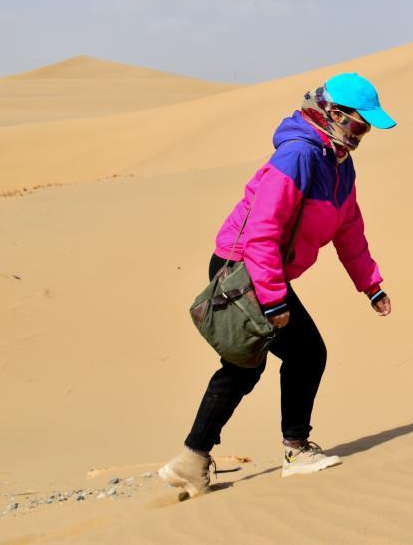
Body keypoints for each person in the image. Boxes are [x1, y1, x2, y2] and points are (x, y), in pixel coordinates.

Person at [159, 72, 396, 497]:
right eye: (360, 126)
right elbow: (261, 232)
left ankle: (191, 461)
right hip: (244, 268)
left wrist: (371, 285)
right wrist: (272, 301)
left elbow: (349, 229)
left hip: (264, 270)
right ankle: (296, 450)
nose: (361, 136)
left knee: (244, 367)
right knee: (304, 354)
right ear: (333, 114)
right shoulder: (298, 156)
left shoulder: (339, 163)